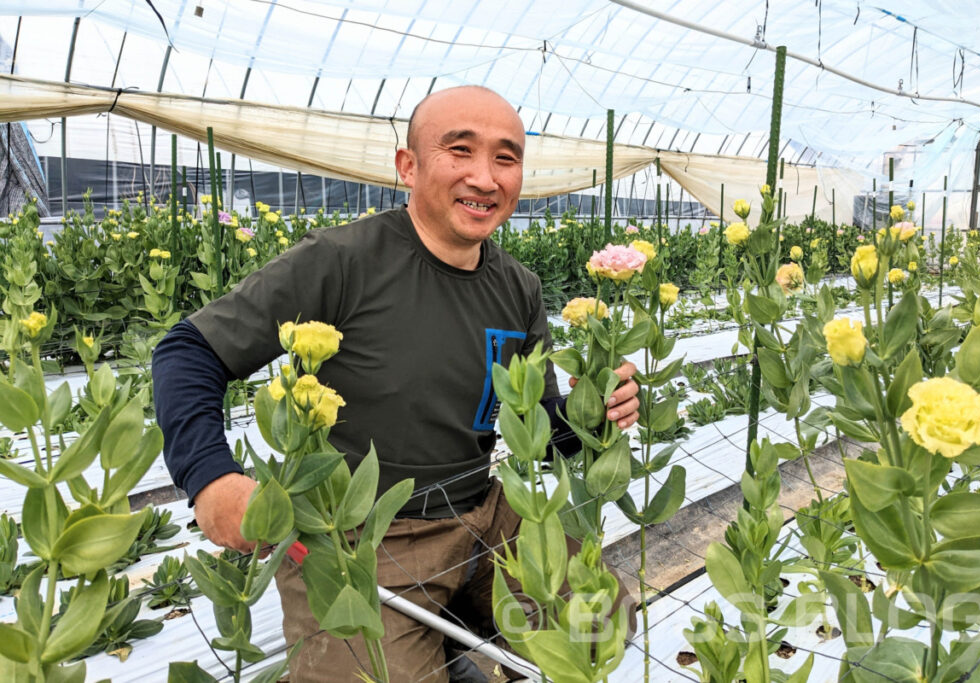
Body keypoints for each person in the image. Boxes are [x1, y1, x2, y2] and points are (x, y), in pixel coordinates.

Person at [152, 85, 639, 682]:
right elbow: (187, 353)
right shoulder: (342, 260)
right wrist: (210, 478)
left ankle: (447, 635)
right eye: (460, 150)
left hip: (481, 514)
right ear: (408, 166)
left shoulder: (519, 288)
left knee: (602, 624)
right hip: (353, 542)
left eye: (506, 158)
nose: (485, 178)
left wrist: (594, 412)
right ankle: (439, 645)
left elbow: (539, 427)